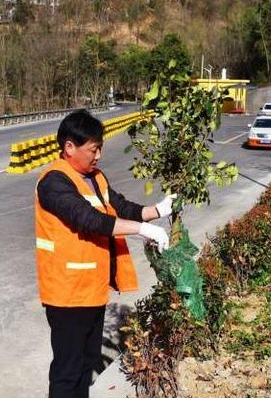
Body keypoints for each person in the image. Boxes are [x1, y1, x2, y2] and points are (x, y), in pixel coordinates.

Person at [35, 109, 175, 398]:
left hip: (93, 291)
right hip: (66, 294)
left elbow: (120, 207)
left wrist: (158, 211)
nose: (98, 156)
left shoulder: (95, 177)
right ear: (69, 147)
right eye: (93, 149)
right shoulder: (54, 181)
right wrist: (142, 230)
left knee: (85, 369)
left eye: (100, 148)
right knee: (67, 371)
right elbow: (89, 219)